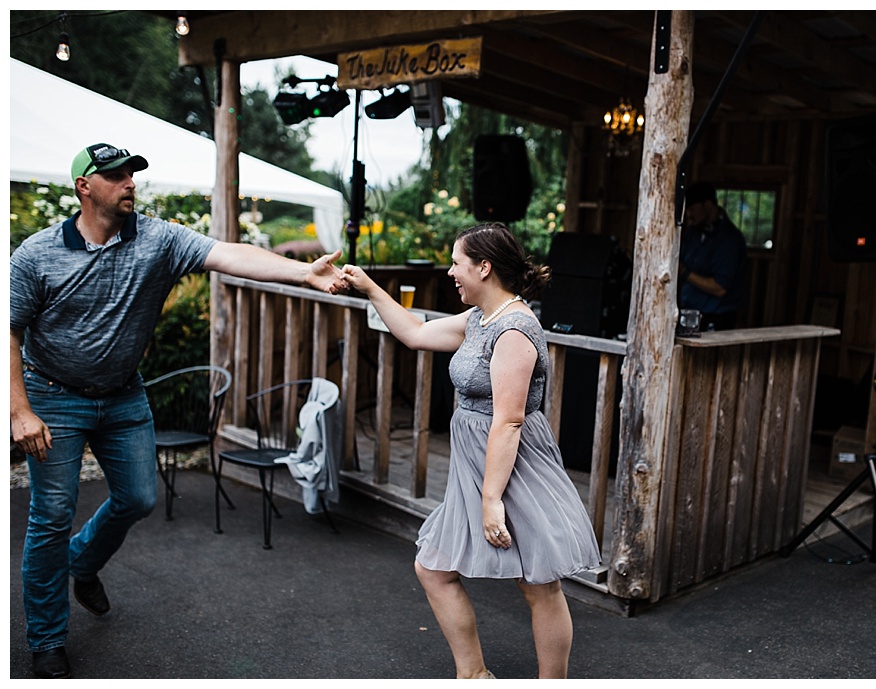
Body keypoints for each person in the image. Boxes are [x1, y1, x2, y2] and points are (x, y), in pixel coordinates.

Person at [9, 142, 347, 679]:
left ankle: (84, 560)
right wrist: (20, 410)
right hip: (54, 395)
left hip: (122, 394)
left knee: (140, 497)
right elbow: (10, 329)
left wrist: (301, 272)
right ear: (84, 187)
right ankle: (47, 640)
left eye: (131, 174)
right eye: (116, 175)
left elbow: (229, 253)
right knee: (49, 517)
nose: (129, 183)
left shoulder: (158, 239)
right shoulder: (37, 254)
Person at [339, 223, 601, 679]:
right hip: (475, 465)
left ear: (484, 267)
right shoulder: (480, 318)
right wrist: (369, 287)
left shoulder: (516, 329)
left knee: (538, 584)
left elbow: (510, 420)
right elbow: (417, 333)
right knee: (434, 568)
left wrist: (491, 498)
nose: (450, 272)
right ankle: (474, 676)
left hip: (512, 467)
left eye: (457, 263)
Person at [678, 181, 747, 331]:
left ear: (708, 205)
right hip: (689, 313)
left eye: (692, 209)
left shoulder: (730, 239)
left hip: (716, 318)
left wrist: (684, 272)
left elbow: (719, 288)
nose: (688, 214)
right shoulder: (693, 232)